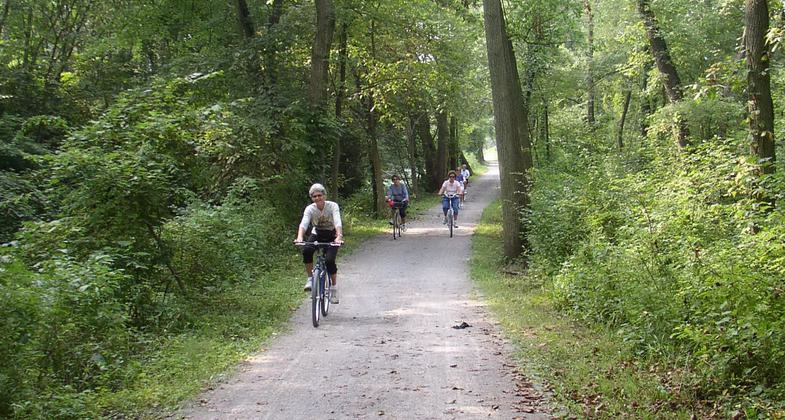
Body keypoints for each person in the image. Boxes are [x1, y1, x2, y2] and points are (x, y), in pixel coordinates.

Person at [294, 183, 344, 304]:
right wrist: (300, 237)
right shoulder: (310, 208)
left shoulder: (332, 206)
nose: (317, 198)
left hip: (332, 234)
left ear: (324, 195)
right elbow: (304, 223)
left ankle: (333, 288)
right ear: (312, 198)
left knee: (329, 261)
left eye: (319, 195)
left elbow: (337, 221)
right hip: (317, 233)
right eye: (314, 196)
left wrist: (339, 236)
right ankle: (311, 279)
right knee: (306, 250)